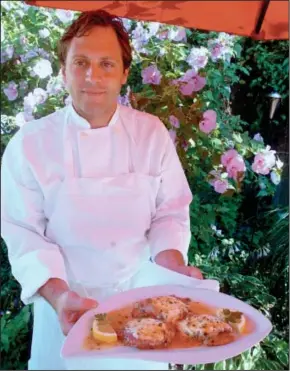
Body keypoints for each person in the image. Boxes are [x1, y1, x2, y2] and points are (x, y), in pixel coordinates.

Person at [1, 10, 203, 370]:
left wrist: (172, 268)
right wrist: (60, 297)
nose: (92, 76)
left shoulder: (150, 133)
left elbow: (170, 211)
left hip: (142, 308)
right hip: (64, 311)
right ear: (63, 70)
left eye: (107, 63)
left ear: (125, 73)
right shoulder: (30, 144)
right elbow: (24, 234)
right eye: (81, 62)